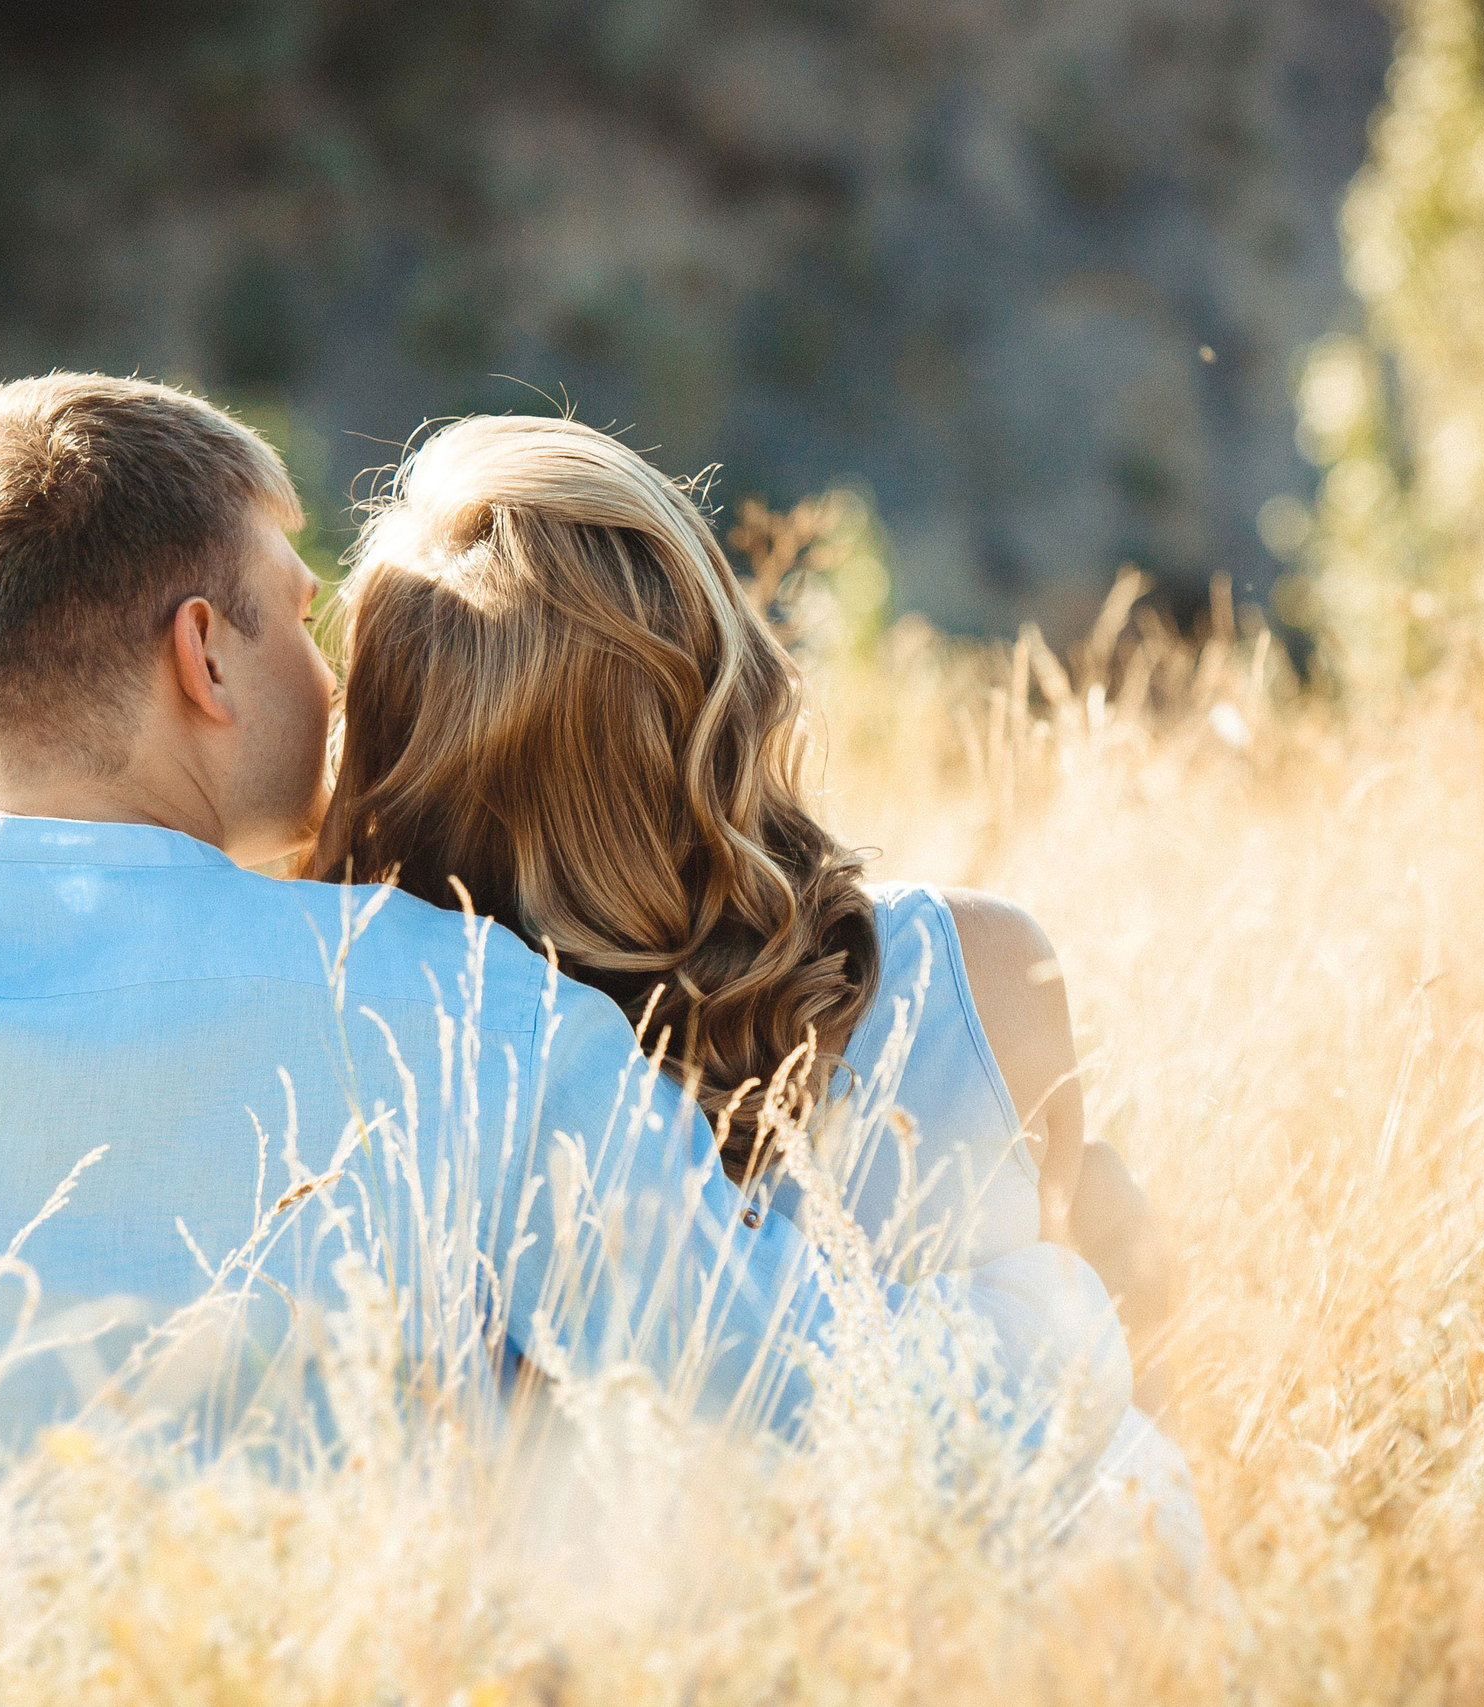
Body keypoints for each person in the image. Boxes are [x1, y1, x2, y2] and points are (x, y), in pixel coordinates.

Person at [0, 375, 1141, 1618]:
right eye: (299, 610)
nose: (337, 680)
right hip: (269, 1637)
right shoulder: (468, 1019)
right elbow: (842, 1417)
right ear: (204, 652)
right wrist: (1052, 1296)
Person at [310, 413, 1199, 1554]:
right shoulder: (985, 973)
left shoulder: (395, 1075)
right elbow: (1118, 1379)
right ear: (722, 676)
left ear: (400, 758)